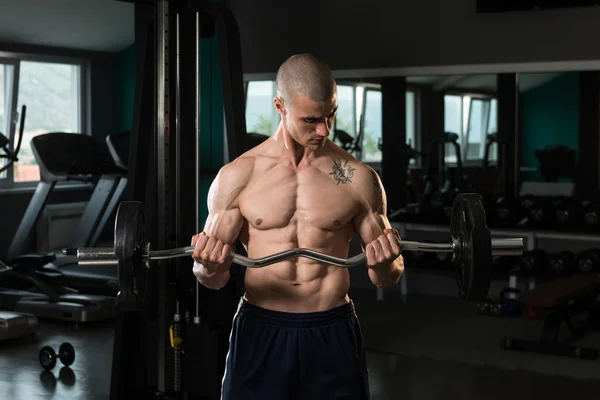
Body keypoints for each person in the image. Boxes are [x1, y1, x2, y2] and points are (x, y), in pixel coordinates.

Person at [191, 53, 404, 400]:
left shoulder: (358, 179)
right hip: (261, 328)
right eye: (311, 119)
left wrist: (384, 263)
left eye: (331, 115)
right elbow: (213, 280)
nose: (324, 129)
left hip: (331, 329)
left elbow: (388, 276)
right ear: (280, 106)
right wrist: (208, 265)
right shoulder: (238, 176)